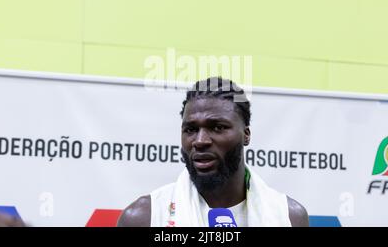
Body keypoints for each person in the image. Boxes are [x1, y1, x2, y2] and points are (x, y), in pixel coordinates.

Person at [118, 77, 308, 227]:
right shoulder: (145, 217)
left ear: (246, 135)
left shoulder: (289, 217)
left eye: (217, 127)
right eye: (191, 130)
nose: (200, 141)